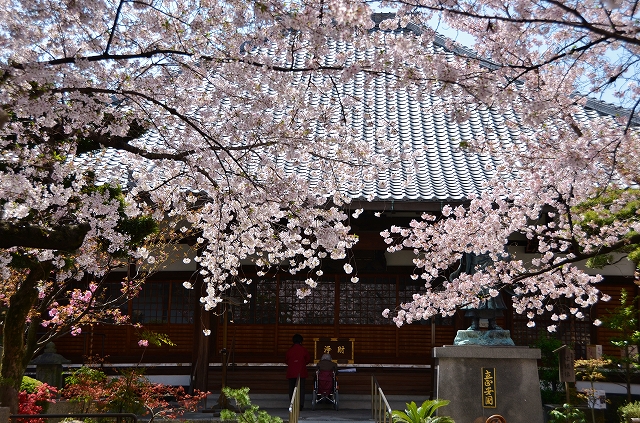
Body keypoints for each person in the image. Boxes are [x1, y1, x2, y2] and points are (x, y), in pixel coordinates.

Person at [285, 333, 310, 408]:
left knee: (292, 389)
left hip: (291, 372)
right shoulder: (303, 350)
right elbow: (308, 360)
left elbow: (286, 360)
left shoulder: (290, 350)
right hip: (301, 372)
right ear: (301, 341)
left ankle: (292, 405)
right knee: (301, 389)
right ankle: (300, 405)